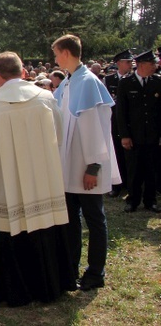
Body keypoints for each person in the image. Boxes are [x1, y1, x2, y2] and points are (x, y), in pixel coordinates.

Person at [0, 52, 76, 306]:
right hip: (45, 178)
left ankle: (18, 290)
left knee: (12, 230)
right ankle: (52, 284)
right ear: (23, 72)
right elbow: (58, 136)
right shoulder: (47, 98)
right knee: (46, 228)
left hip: (9, 181)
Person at [52, 34, 121, 291]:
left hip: (85, 167)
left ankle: (95, 273)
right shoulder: (70, 82)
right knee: (71, 221)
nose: (55, 58)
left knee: (94, 219)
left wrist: (92, 167)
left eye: (57, 53)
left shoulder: (88, 82)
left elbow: (95, 128)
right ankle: (70, 269)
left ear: (67, 53)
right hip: (69, 166)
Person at [115, 50, 161, 213]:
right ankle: (133, 200)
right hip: (133, 136)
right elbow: (121, 112)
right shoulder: (126, 83)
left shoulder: (157, 81)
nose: (155, 66)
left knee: (151, 169)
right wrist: (125, 136)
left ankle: (150, 201)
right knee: (134, 169)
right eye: (152, 64)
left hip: (153, 135)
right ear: (142, 65)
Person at [103, 49, 133, 197]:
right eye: (127, 62)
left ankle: (130, 183)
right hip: (113, 121)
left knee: (130, 155)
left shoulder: (133, 79)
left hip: (130, 122)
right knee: (115, 152)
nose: (130, 64)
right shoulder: (108, 80)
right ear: (119, 63)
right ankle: (117, 184)